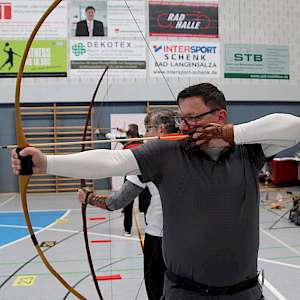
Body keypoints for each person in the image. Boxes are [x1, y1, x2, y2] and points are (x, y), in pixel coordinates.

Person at [11, 83, 300, 299]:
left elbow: (293, 127)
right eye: (182, 118)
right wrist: (46, 162)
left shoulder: (248, 150)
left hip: (244, 293)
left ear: (221, 115)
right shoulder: (167, 151)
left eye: (194, 118)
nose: (186, 126)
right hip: (183, 293)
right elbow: (114, 160)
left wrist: (232, 134)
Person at [78, 110, 177, 300]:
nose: (145, 135)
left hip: (160, 239)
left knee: (158, 292)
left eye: (148, 129)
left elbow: (116, 202)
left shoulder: (147, 160)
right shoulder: (193, 151)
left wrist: (88, 197)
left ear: (161, 129)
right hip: (192, 239)